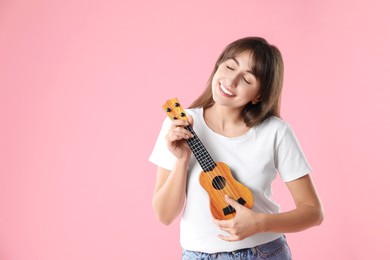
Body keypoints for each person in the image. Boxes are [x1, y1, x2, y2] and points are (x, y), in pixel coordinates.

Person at [149, 36, 323, 260]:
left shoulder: (276, 132)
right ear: (218, 65)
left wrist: (260, 223)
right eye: (230, 66)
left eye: (247, 79)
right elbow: (164, 215)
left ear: (259, 94)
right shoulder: (181, 126)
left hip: (264, 253)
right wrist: (182, 161)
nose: (231, 81)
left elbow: (313, 212)